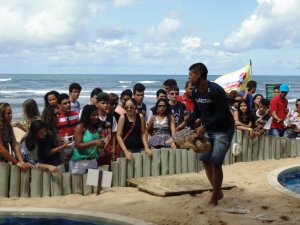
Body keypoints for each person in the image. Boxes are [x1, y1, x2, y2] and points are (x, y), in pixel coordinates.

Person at [177, 63, 234, 206]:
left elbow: (223, 114)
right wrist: (185, 123)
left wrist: (205, 126)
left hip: (223, 130)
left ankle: (214, 197)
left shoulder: (216, 90)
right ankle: (218, 191)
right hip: (208, 130)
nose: (189, 77)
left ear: (199, 75)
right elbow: (197, 112)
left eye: (191, 74)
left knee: (216, 161)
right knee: (205, 159)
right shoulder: (195, 91)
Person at [70, 105, 104, 174]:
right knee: (78, 184)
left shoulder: (94, 127)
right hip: (80, 163)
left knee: (95, 184)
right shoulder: (80, 127)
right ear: (87, 116)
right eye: (93, 115)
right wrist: (94, 143)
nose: (96, 117)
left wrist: (101, 145)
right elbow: (78, 145)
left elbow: (96, 144)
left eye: (97, 115)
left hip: (93, 161)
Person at [0, 103, 32, 170]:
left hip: (5, 159)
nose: (11, 115)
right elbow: (1, 148)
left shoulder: (8, 126)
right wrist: (16, 162)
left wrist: (21, 161)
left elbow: (15, 144)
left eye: (11, 113)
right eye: (8, 114)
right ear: (1, 115)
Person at [56, 93, 79, 170]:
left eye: (69, 102)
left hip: (75, 148)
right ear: (59, 105)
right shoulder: (56, 118)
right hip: (63, 148)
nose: (68, 105)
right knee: (65, 173)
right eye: (65, 103)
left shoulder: (75, 114)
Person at [96, 92, 117, 164]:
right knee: (95, 174)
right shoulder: (94, 118)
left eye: (107, 103)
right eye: (103, 103)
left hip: (108, 152)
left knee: (108, 173)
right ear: (97, 104)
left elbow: (114, 135)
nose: (105, 105)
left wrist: (113, 151)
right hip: (96, 153)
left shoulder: (111, 118)